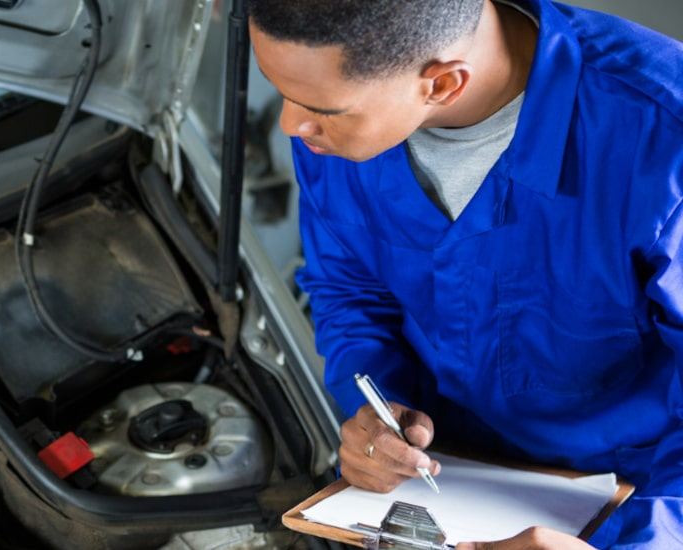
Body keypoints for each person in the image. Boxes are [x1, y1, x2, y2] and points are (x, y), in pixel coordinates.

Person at [245, 0, 683, 548]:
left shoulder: (663, 143)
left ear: (444, 83)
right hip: (436, 492)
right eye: (279, 88)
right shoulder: (330, 113)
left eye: (318, 108)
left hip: (633, 500)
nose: (290, 123)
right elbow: (349, 292)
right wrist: (378, 419)